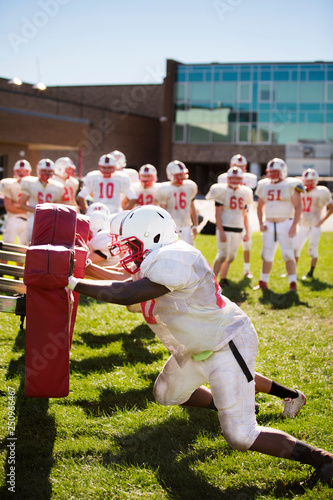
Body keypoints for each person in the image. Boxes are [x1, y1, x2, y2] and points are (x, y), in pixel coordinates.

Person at [66, 205, 332, 487]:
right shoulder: (158, 255)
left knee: (241, 435)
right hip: (195, 345)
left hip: (225, 341)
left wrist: (72, 283)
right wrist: (82, 269)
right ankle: (229, 400)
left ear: (151, 236)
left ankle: (323, 458)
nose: (124, 251)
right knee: (166, 393)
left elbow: (128, 293)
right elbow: (124, 282)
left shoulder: (175, 257)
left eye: (129, 243)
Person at [254, 158, 304, 292]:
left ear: (283, 171)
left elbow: (298, 207)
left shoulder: (291, 184)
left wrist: (294, 226)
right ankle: (263, 281)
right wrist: (261, 223)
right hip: (269, 224)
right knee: (266, 255)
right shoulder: (264, 184)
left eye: (275, 172)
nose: (272, 175)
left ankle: (292, 283)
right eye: (270, 172)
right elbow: (259, 207)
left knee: (288, 255)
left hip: (285, 224)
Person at [206, 166, 253, 287]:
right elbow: (217, 214)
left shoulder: (244, 192)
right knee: (222, 255)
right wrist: (220, 230)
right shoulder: (222, 191)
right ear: (228, 179)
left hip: (238, 228)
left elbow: (244, 215)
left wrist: (247, 232)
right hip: (225, 227)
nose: (234, 181)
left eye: (237, 179)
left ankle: (223, 278)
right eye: (232, 178)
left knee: (231, 257)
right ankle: (212, 280)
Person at [218, 154, 257, 278]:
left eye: (240, 166)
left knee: (247, 243)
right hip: (229, 214)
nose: (238, 168)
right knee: (225, 250)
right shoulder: (224, 178)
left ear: (245, 167)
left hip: (244, 212)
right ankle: (221, 277)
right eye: (235, 166)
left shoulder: (249, 179)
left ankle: (247, 269)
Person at [295, 168, 333, 279]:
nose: (308, 184)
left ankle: (311, 272)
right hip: (303, 224)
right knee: (296, 248)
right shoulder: (300, 190)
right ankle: (292, 271)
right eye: (306, 181)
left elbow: (331, 208)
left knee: (312, 249)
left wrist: (322, 221)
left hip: (314, 224)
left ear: (315, 181)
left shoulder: (321, 191)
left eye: (310, 181)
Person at [20, 159, 64, 244]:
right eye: (44, 171)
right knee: (30, 243)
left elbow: (58, 206)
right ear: (38, 171)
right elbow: (22, 204)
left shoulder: (57, 186)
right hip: (33, 218)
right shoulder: (29, 183)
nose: (46, 173)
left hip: (49, 219)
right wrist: (38, 211)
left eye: (49, 171)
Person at [158, 160, 198, 245]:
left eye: (182, 174)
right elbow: (162, 211)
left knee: (189, 252)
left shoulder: (190, 186)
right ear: (170, 175)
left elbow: (193, 208)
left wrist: (195, 225)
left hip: (186, 225)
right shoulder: (164, 188)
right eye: (178, 175)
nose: (182, 177)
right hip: (171, 226)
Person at [0, 159, 31, 246]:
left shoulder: (32, 185)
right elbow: (9, 207)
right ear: (14, 171)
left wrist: (18, 205)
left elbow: (35, 206)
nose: (22, 173)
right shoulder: (9, 184)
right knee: (6, 248)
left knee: (25, 250)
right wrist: (27, 208)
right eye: (19, 171)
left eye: (24, 171)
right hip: (13, 220)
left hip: (28, 222)